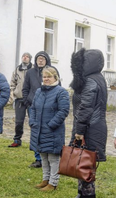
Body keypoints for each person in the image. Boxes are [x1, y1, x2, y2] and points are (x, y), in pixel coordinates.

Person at [70, 48, 107, 198]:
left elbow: (85, 107)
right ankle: (82, 194)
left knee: (85, 166)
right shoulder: (98, 78)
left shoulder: (91, 80)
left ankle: (86, 195)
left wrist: (79, 131)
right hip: (94, 126)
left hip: (89, 128)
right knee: (84, 164)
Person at [29, 66, 70, 191]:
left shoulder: (61, 92)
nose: (46, 79)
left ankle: (53, 183)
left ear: (55, 77)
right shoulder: (39, 91)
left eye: (49, 77)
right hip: (39, 130)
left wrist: (51, 124)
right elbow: (33, 108)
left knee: (53, 158)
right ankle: (45, 179)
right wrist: (32, 121)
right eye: (44, 77)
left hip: (53, 130)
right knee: (43, 157)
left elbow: (63, 111)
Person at [22, 51, 60, 168]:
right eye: (38, 58)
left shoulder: (52, 71)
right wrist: (27, 101)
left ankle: (49, 157)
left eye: (43, 58)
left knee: (47, 132)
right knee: (35, 132)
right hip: (33, 106)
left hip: (49, 108)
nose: (40, 60)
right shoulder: (30, 72)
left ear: (47, 60)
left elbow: (58, 86)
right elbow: (25, 88)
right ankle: (38, 158)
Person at [8, 52, 33, 147]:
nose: (25, 58)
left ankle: (33, 140)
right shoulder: (17, 70)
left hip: (31, 99)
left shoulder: (34, 69)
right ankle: (17, 140)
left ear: (30, 59)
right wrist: (14, 92)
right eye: (23, 56)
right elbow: (12, 82)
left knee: (33, 121)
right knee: (18, 121)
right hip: (19, 99)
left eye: (27, 57)